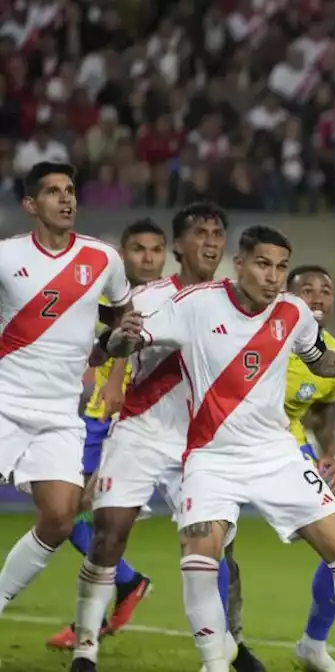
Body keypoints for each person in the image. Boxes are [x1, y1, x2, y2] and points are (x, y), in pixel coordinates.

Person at [102, 225, 335, 672]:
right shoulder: (196, 305)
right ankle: (215, 664)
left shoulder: (293, 312)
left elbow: (320, 361)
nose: (273, 277)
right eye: (263, 264)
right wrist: (122, 338)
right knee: (199, 559)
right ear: (240, 263)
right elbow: (128, 340)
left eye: (280, 267)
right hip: (210, 458)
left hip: (275, 454)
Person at [68, 204, 268, 671]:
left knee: (214, 549)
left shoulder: (239, 302)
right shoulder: (150, 297)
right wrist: (120, 349)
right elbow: (108, 349)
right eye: (201, 233)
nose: (212, 242)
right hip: (142, 431)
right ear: (179, 245)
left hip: (200, 446)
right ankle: (85, 650)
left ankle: (226, 648)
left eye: (218, 233)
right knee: (107, 537)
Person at [0, 162, 131, 618]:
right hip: (4, 401)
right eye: (53, 192)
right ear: (31, 205)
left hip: (59, 411)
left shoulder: (103, 259)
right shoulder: (6, 257)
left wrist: (110, 360)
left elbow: (121, 324)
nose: (66, 198)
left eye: (70, 190)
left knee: (59, 518)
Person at [46, 219, 164, 651]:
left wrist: (115, 382)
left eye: (155, 249)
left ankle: (109, 606)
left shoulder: (170, 299)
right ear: (123, 254)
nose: (147, 257)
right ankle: (124, 588)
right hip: (93, 420)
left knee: (72, 515)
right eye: (138, 249)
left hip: (132, 421)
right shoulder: (103, 297)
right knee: (64, 512)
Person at [284, 264, 335, 672]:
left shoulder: (334, 356)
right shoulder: (262, 334)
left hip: (288, 450)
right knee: (216, 543)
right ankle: (226, 644)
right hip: (229, 446)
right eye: (306, 289)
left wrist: (330, 450)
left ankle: (313, 645)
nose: (317, 297)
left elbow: (323, 405)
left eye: (325, 291)